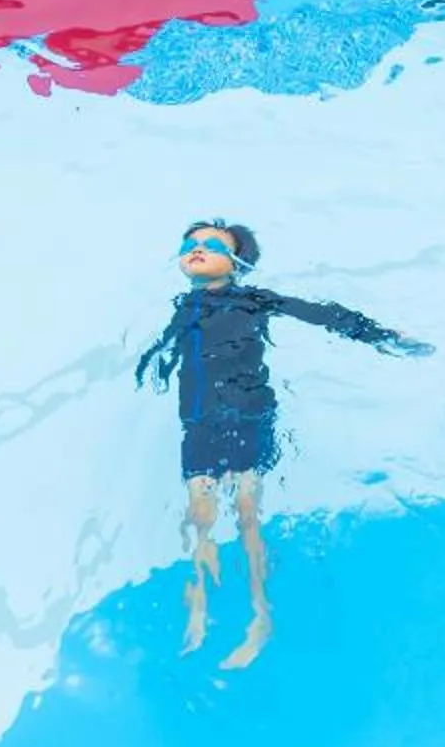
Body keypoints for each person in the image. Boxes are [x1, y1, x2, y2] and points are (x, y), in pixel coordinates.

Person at [136, 220, 430, 670]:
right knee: (200, 515)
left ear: (237, 263)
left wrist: (385, 336)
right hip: (197, 423)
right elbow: (168, 349)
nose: (197, 248)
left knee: (247, 512)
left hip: (247, 414)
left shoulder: (254, 300)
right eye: (189, 244)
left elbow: (324, 314)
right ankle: (198, 610)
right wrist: (151, 364)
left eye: (211, 244)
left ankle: (259, 616)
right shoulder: (184, 307)